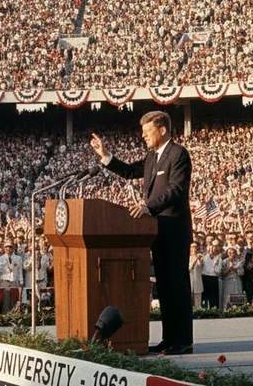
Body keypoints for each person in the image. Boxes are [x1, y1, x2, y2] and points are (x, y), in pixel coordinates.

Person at [91, 110, 193, 356]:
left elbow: (176, 190)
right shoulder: (151, 157)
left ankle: (183, 340)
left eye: (147, 131)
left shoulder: (178, 154)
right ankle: (169, 338)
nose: (143, 136)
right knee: (165, 289)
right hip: (156, 231)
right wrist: (105, 156)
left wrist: (148, 206)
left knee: (177, 287)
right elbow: (128, 171)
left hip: (174, 230)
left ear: (162, 130)